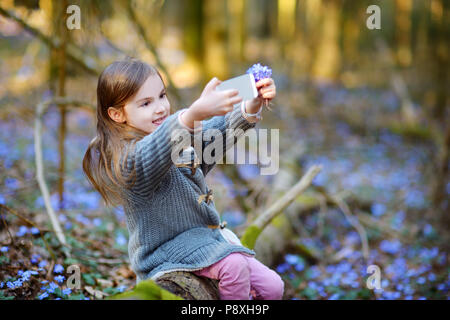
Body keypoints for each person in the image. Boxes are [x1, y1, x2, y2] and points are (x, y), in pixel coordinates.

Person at [82, 57, 283, 300]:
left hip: (203, 241)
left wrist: (250, 106)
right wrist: (191, 115)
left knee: (273, 286)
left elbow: (213, 137)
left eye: (162, 96)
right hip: (164, 252)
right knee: (234, 266)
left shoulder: (176, 140)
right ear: (116, 114)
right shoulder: (127, 162)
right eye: (145, 103)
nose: (160, 108)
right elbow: (151, 153)